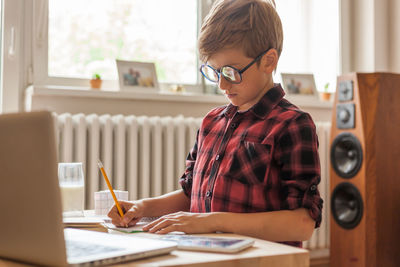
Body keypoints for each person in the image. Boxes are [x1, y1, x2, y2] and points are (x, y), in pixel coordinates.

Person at [108, 0, 322, 247]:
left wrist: (212, 221)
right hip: (207, 254)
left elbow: (301, 224)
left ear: (269, 61)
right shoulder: (212, 122)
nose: (222, 84)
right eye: (214, 71)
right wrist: (142, 207)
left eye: (231, 72)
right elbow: (191, 196)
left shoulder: (293, 125)